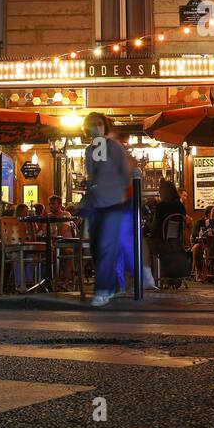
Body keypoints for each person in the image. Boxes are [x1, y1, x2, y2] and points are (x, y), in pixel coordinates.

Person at [81, 112, 135, 306]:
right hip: (97, 204)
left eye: (99, 124)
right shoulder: (90, 150)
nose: (96, 127)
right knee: (96, 247)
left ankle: (104, 289)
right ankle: (112, 285)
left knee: (106, 247)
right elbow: (91, 177)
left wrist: (121, 195)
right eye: (92, 124)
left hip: (114, 204)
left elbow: (125, 174)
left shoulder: (114, 148)